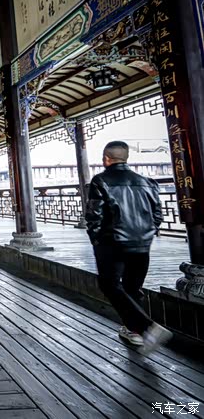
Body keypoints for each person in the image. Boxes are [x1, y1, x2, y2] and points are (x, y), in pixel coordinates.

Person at [85, 141, 172, 354]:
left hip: (112, 243)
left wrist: (96, 240)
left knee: (110, 285)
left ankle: (146, 328)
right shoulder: (147, 182)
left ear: (106, 158)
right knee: (132, 287)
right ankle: (133, 331)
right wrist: (146, 235)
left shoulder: (100, 180)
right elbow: (157, 215)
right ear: (126, 158)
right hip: (142, 243)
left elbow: (94, 215)